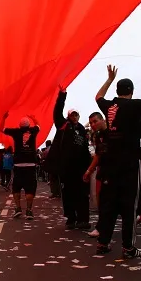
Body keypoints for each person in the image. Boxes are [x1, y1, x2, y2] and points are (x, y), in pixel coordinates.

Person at [94, 65, 141, 258]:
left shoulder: (109, 105)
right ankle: (128, 247)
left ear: (118, 90)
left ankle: (103, 242)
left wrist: (109, 79)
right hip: (129, 161)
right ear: (131, 91)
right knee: (129, 205)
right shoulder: (134, 105)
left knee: (109, 203)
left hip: (111, 162)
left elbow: (98, 97)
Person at [53, 87, 92, 230]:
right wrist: (62, 95)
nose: (75, 117)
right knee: (68, 193)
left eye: (77, 115)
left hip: (81, 168)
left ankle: (83, 219)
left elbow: (85, 148)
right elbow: (57, 111)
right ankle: (71, 219)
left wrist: (89, 167)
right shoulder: (63, 125)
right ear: (69, 116)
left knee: (82, 194)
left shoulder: (82, 129)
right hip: (67, 168)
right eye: (72, 115)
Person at [0, 112, 40, 219]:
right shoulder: (33, 131)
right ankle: (29, 210)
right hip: (31, 164)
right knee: (30, 188)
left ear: (19, 125)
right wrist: (33, 117)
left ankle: (18, 209)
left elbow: (1, 129)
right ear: (28, 125)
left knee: (16, 188)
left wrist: (4, 118)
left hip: (18, 165)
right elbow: (38, 125)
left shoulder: (16, 132)